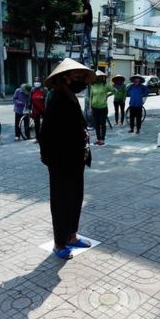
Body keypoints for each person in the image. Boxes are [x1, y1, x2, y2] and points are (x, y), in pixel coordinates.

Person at [39, 58, 96, 260]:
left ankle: (72, 235)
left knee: (75, 198)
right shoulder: (57, 98)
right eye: (77, 76)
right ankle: (59, 242)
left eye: (82, 76)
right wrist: (51, 160)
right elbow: (45, 133)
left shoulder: (70, 96)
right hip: (60, 162)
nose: (80, 80)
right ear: (65, 78)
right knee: (61, 201)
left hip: (75, 159)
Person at [90, 70, 113, 145]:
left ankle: (102, 139)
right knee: (96, 124)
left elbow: (114, 90)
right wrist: (90, 106)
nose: (98, 78)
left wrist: (107, 95)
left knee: (102, 124)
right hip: (94, 107)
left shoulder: (106, 85)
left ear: (102, 78)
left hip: (103, 107)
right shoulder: (93, 85)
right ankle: (98, 139)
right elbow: (91, 96)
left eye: (100, 77)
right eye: (97, 77)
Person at [72, 0, 93, 64]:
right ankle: (85, 54)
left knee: (88, 41)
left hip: (87, 26)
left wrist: (76, 14)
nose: (82, 0)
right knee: (86, 41)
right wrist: (79, 16)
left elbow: (85, 13)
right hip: (85, 25)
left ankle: (88, 56)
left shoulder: (87, 5)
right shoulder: (85, 5)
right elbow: (84, 15)